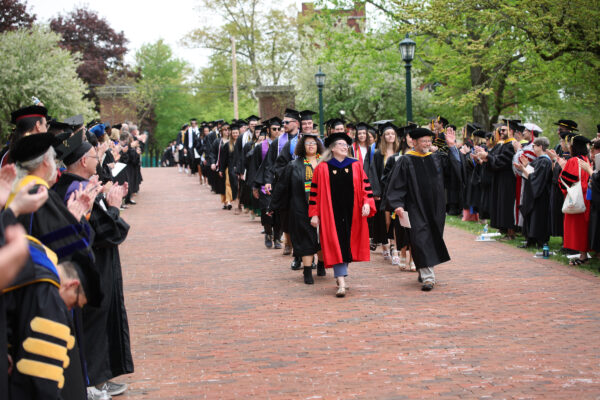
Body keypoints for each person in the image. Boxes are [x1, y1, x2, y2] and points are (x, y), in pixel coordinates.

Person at [53, 131, 133, 397]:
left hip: (90, 265)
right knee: (94, 325)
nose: (98, 157)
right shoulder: (77, 189)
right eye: (93, 155)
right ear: (81, 161)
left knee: (95, 324)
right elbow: (105, 233)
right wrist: (113, 206)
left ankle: (97, 378)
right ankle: (91, 382)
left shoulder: (71, 184)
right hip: (93, 266)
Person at [385, 127, 462, 291]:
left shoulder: (437, 158)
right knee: (420, 239)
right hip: (415, 207)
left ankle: (424, 268)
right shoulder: (406, 161)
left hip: (436, 207)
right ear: (414, 142)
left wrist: (452, 146)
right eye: (424, 141)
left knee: (432, 238)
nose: (427, 144)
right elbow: (397, 185)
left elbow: (456, 172)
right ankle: (428, 277)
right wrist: (397, 205)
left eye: (429, 140)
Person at [308, 132, 376, 297]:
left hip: (352, 213)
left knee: (347, 244)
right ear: (332, 148)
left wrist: (367, 203)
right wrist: (314, 214)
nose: (345, 147)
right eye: (341, 144)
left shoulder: (356, 165)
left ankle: (341, 274)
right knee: (334, 242)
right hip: (330, 213)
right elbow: (314, 194)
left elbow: (365, 187)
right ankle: (342, 282)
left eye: (346, 145)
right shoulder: (322, 168)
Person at [271, 133, 324, 284]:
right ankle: (307, 271)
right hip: (301, 209)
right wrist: (273, 205)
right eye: (307, 143)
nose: (311, 146)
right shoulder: (294, 165)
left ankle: (321, 264)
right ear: (302, 146)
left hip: (323, 208)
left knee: (322, 238)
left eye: (313, 143)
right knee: (305, 239)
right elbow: (282, 187)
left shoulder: (325, 163)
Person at [476, 119, 518, 239]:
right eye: (500, 130)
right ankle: (504, 229)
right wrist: (486, 158)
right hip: (500, 178)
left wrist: (488, 156)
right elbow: (496, 159)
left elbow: (502, 160)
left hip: (508, 179)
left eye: (504, 130)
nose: (501, 132)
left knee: (507, 204)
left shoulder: (511, 145)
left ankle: (511, 232)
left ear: (511, 131)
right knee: (501, 204)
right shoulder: (503, 144)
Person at [514, 137, 553, 248]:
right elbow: (532, 174)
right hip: (533, 194)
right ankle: (530, 239)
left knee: (538, 217)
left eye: (534, 146)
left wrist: (524, 169)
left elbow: (537, 179)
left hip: (541, 195)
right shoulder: (538, 160)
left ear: (540, 147)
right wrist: (525, 167)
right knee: (531, 216)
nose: (533, 148)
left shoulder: (545, 161)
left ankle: (540, 241)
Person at [559, 135, 592, 265]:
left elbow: (564, 182)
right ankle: (584, 254)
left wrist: (563, 168)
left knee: (577, 228)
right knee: (585, 227)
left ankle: (583, 256)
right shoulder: (586, 160)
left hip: (576, 198)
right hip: (586, 198)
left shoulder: (574, 161)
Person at [372, 122, 399, 263]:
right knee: (385, 220)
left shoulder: (399, 152)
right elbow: (374, 173)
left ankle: (394, 246)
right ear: (383, 137)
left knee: (395, 220)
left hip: (396, 191)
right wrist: (376, 191)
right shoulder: (378, 154)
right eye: (388, 134)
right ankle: (385, 244)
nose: (390, 136)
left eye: (393, 134)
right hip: (383, 192)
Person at [218, 122, 240, 210]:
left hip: (240, 167)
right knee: (232, 185)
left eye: (236, 133)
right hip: (230, 168)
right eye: (234, 133)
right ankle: (233, 201)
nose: (235, 134)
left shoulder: (242, 144)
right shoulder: (227, 145)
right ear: (231, 133)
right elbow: (223, 159)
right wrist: (221, 170)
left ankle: (238, 201)